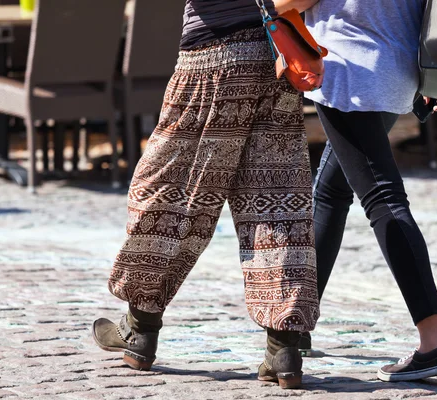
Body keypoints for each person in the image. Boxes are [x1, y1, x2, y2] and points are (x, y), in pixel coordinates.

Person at [92, 0, 322, 390]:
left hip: (210, 58)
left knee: (168, 191)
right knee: (276, 203)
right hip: (275, 58)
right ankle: (283, 346)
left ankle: (141, 327)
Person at [300, 0, 437, 382]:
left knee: (384, 200)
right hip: (396, 67)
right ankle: (295, 324)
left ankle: (435, 338)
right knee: (330, 192)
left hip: (350, 67)